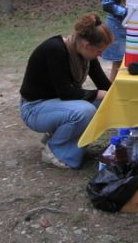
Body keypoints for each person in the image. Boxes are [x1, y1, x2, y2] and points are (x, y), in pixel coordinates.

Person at [19, 13, 113, 169]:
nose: (101, 55)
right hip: (34, 109)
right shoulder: (55, 50)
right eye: (99, 51)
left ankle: (60, 138)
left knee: (102, 103)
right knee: (86, 110)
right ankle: (56, 151)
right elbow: (66, 92)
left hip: (54, 105)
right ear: (86, 45)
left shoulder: (85, 55)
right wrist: (98, 94)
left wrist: (120, 95)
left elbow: (104, 84)